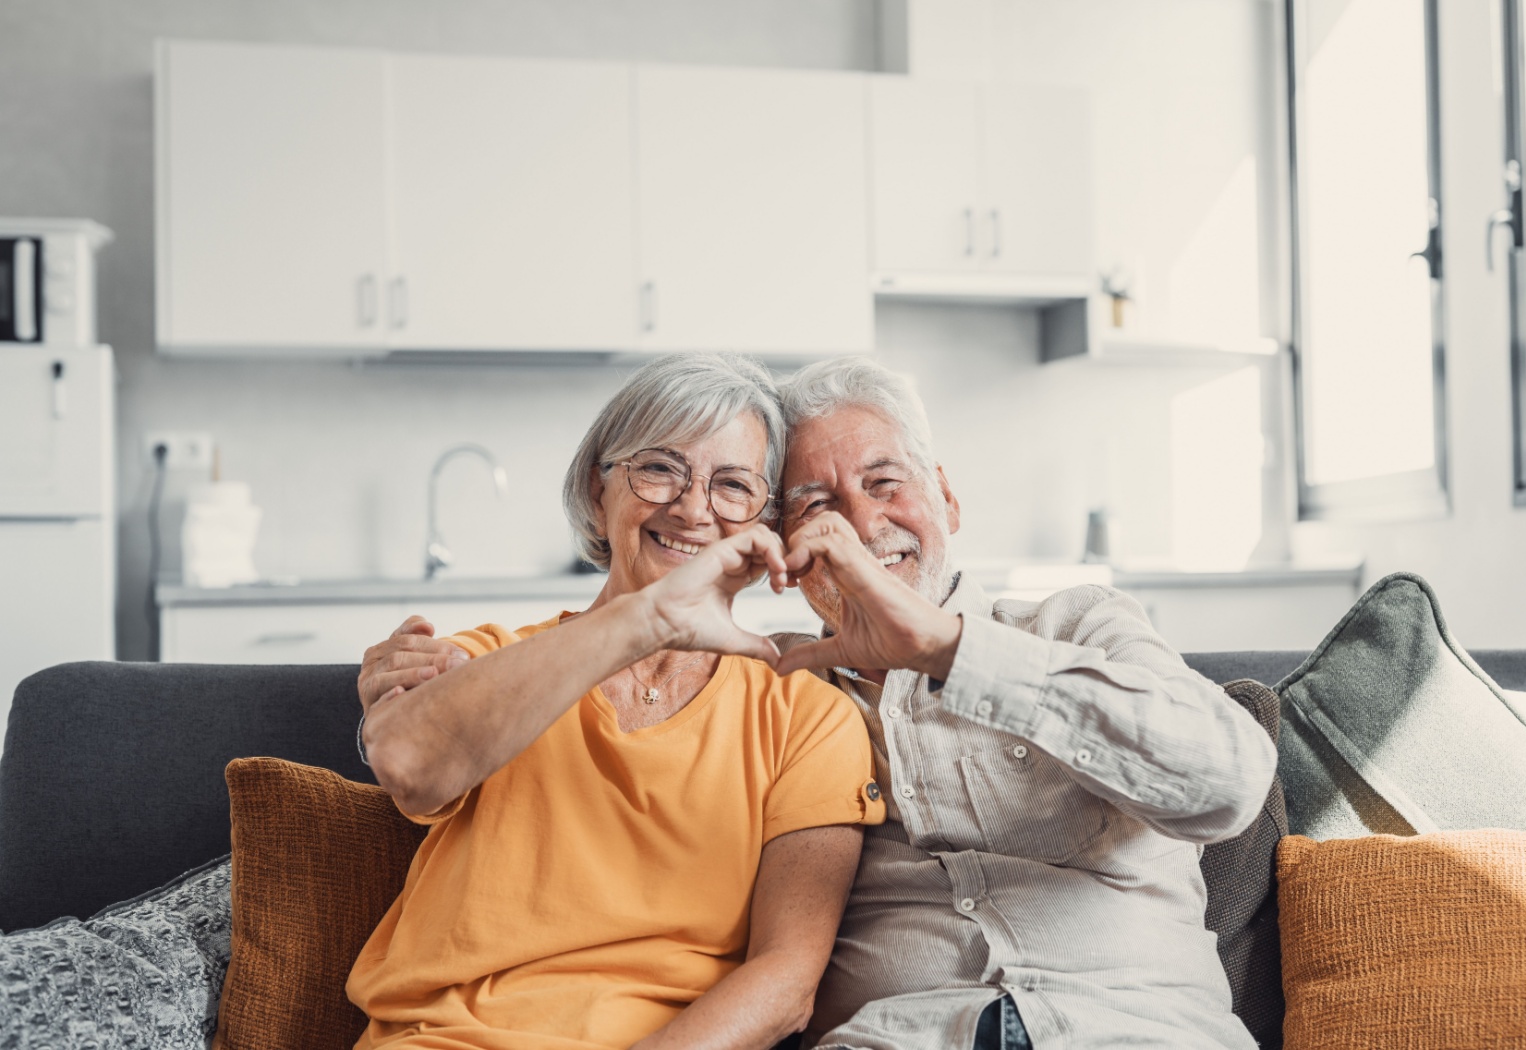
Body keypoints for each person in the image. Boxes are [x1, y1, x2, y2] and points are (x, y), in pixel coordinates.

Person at [366, 357, 1279, 1050]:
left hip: (1137, 1031)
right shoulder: (793, 690)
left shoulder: (1071, 627)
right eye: (813, 503)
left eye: (885, 484)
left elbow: (1226, 784)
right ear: (782, 547)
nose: (858, 523)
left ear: (947, 497)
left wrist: (944, 647)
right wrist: (634, 623)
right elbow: (421, 756)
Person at [350, 352, 886, 1050]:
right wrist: (648, 619)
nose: (693, 508)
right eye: (660, 468)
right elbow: (408, 763)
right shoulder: (490, 661)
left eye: (732, 485)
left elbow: (785, 983)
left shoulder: (804, 716)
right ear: (597, 490)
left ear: (765, 521)